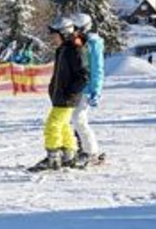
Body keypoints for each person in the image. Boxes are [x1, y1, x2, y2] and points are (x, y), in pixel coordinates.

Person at [29, 17, 86, 172]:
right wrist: (53, 87)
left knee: (52, 125)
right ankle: (69, 155)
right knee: (64, 126)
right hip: (61, 95)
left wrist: (70, 91)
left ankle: (53, 157)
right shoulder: (63, 49)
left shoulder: (74, 50)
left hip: (67, 97)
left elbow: (84, 75)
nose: (52, 39)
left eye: (55, 35)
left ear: (64, 34)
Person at [68, 12, 106, 169]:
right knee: (72, 119)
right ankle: (80, 149)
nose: (73, 31)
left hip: (87, 87)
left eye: (76, 28)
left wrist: (95, 89)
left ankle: (91, 152)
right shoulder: (79, 42)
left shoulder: (93, 43)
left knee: (79, 119)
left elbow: (97, 68)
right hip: (76, 86)